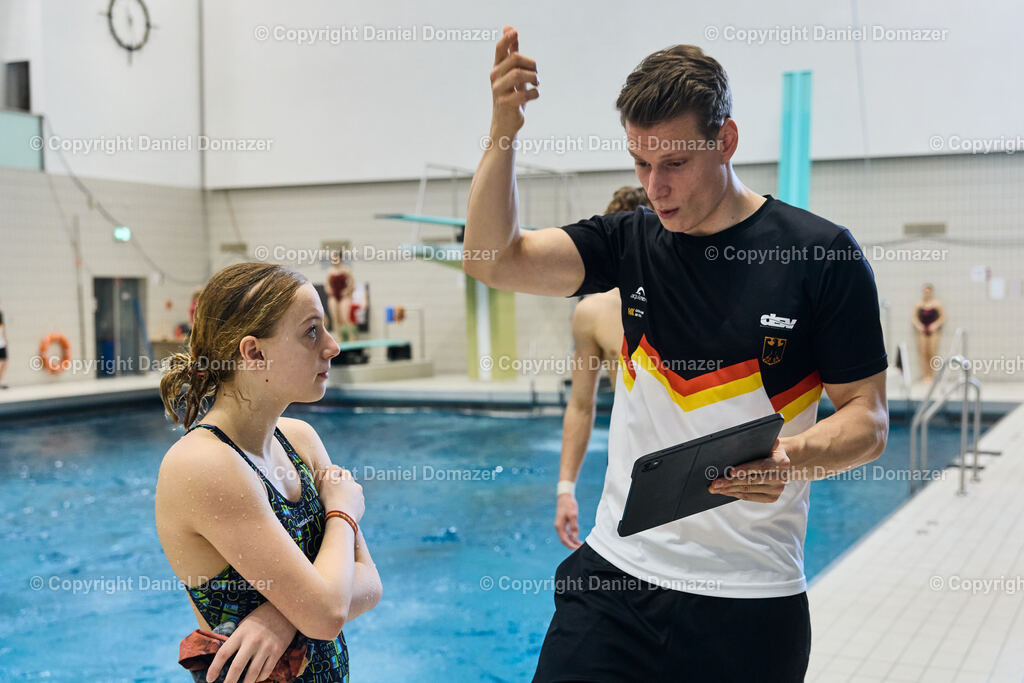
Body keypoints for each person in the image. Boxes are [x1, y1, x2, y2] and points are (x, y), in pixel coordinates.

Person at [465, 28, 889, 681]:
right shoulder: (629, 244)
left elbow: (869, 420)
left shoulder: (819, 256)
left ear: (726, 141)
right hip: (614, 583)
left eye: (675, 164)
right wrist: (503, 129)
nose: (655, 187)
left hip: (749, 603)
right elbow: (491, 260)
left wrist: (792, 456)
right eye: (640, 164)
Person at [155, 262, 382, 683]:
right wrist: (343, 511)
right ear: (254, 353)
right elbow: (327, 614)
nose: (332, 347)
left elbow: (369, 583)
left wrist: (281, 616)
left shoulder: (300, 440)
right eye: (311, 331)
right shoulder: (204, 465)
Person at [555, 187, 651, 550]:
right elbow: (581, 405)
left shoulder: (690, 300)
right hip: (628, 469)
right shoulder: (593, 312)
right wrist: (566, 490)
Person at [913, 283, 945, 383]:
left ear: (931, 292)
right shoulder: (919, 304)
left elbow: (943, 317)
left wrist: (935, 325)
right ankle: (925, 375)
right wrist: (919, 325)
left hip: (933, 332)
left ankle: (932, 375)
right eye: (925, 292)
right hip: (922, 332)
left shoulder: (937, 304)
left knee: (932, 353)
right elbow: (914, 318)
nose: (926, 293)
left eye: (928, 292)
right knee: (923, 354)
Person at [325, 252, 356, 342]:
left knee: (345, 317)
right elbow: (327, 284)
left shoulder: (346, 269)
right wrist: (329, 290)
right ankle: (338, 337)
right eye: (332, 259)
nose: (334, 261)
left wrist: (347, 290)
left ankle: (351, 336)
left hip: (344, 296)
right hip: (334, 296)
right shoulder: (330, 271)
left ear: (340, 259)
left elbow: (352, 282)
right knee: (335, 318)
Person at [0, 302, 8, 389]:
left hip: (1, 343)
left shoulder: (0, 314)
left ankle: (0, 381)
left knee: (5, 361)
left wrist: (6, 341)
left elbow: (2, 329)